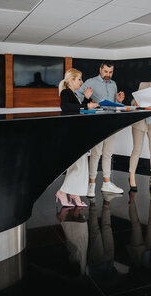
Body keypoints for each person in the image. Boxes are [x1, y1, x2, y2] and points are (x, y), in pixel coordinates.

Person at [76, 61, 125, 197]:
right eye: (105, 72)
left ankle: (106, 183)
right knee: (96, 154)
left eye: (110, 72)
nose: (108, 75)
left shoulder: (113, 84)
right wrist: (86, 99)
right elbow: (77, 99)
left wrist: (119, 101)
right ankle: (91, 184)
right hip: (97, 122)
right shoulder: (90, 82)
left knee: (108, 153)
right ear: (100, 70)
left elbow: (114, 104)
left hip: (111, 122)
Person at [56, 68, 99, 207]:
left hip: (76, 133)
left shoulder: (73, 94)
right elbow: (66, 107)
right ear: (71, 80)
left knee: (79, 165)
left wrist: (86, 100)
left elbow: (77, 108)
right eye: (79, 79)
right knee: (78, 166)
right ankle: (63, 192)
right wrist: (87, 105)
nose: (82, 82)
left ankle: (74, 193)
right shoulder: (66, 92)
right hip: (71, 134)